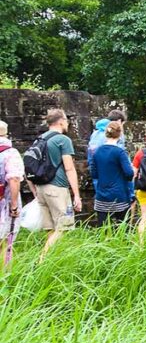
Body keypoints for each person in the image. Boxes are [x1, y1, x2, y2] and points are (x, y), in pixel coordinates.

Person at [29, 109, 81, 258]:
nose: (68, 123)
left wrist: (35, 191)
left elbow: (29, 166)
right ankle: (41, 261)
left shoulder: (39, 139)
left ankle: (52, 263)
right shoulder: (63, 140)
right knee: (63, 227)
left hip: (41, 188)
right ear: (60, 121)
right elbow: (69, 168)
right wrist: (76, 195)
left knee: (51, 230)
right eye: (66, 120)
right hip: (57, 188)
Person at [89, 121, 134, 226]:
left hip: (102, 195)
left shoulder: (97, 151)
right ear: (120, 134)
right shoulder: (120, 152)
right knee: (123, 229)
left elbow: (94, 174)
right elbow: (129, 173)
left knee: (102, 229)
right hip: (119, 195)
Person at [0, 120, 25, 270]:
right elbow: (14, 179)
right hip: (5, 200)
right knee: (5, 241)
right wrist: (14, 205)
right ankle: (4, 276)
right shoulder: (10, 153)